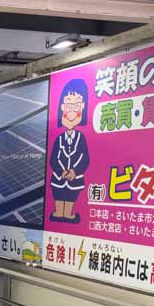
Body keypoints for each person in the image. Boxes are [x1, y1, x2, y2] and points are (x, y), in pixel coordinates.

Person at [49, 78, 91, 224]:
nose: (72, 110)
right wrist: (61, 171)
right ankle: (59, 212)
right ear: (61, 107)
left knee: (71, 195)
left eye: (77, 105)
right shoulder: (59, 138)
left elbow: (85, 158)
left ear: (83, 106)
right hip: (59, 178)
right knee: (59, 195)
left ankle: (68, 214)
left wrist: (74, 171)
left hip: (75, 178)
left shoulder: (81, 138)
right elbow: (53, 158)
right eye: (68, 105)